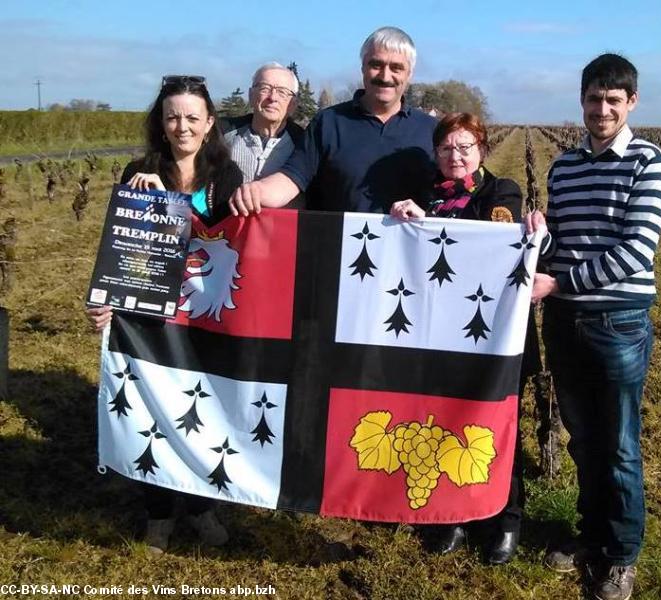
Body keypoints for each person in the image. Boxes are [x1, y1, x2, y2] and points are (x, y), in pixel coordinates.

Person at [532, 54, 661, 600]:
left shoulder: (648, 162)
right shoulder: (563, 167)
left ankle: (621, 557)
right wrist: (537, 237)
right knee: (583, 440)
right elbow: (560, 244)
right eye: (595, 98)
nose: (603, 109)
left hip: (618, 323)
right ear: (582, 100)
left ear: (631, 102)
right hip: (565, 323)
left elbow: (637, 251)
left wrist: (559, 284)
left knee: (619, 444)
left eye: (614, 100)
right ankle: (589, 537)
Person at [87, 75, 243, 554]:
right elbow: (124, 245)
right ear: (161, 121)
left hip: (203, 316)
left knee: (199, 413)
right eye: (173, 116)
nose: (182, 126)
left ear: (209, 122)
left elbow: (230, 242)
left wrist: (168, 205)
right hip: (149, 317)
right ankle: (157, 513)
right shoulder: (139, 168)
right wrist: (104, 300)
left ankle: (199, 507)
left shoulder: (227, 177)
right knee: (150, 414)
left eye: (193, 117)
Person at [391, 112, 546, 565]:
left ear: (481, 150)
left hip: (495, 334)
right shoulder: (421, 195)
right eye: (446, 148)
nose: (455, 156)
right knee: (442, 421)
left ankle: (505, 519)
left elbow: (493, 240)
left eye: (465, 147)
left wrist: (433, 225)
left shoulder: (502, 192)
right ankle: (450, 514)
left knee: (497, 427)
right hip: (439, 334)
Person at [229, 26, 437, 215]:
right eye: (376, 64)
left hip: (410, 253)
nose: (385, 75)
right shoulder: (328, 122)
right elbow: (292, 178)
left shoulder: (431, 130)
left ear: (409, 73)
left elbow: (455, 195)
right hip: (334, 252)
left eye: (396, 68)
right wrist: (257, 190)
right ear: (363, 67)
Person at [221, 62, 304, 194]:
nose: (272, 97)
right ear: (251, 95)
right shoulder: (222, 133)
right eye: (264, 89)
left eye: (282, 92)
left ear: (293, 104)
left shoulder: (304, 144)